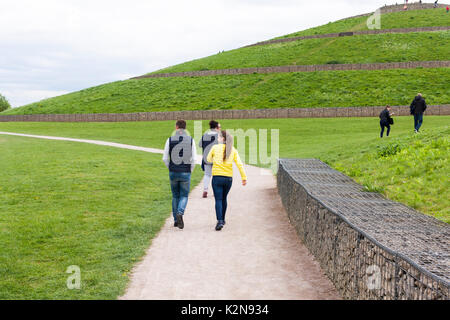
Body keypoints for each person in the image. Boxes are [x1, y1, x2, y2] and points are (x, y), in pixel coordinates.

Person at [207, 130, 247, 231]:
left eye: (219, 137)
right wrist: (243, 177)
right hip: (228, 178)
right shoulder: (232, 149)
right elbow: (239, 164)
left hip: (217, 177)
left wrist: (214, 160)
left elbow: (208, 159)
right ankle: (223, 219)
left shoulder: (215, 148)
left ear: (222, 139)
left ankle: (219, 220)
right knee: (224, 198)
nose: (217, 138)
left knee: (218, 199)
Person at [163, 120, 196, 229]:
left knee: (175, 195)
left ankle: (176, 220)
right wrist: (190, 169)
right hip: (185, 171)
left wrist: (170, 167)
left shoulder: (170, 140)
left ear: (176, 127)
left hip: (173, 171)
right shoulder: (191, 140)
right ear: (185, 128)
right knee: (184, 195)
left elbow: (164, 158)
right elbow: (194, 158)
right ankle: (180, 212)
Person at [199, 120, 221, 198]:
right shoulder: (219, 135)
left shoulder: (205, 134)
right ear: (216, 127)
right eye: (219, 127)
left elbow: (200, 144)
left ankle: (205, 190)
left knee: (207, 175)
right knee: (216, 175)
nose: (220, 128)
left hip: (206, 157)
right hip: (216, 158)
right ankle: (216, 191)